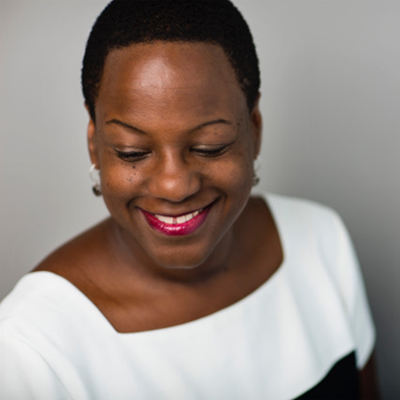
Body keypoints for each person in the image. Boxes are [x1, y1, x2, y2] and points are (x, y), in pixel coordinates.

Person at [0, 1, 379, 398]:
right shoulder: (32, 349)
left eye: (209, 146)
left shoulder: (321, 242)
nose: (174, 186)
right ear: (95, 145)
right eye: (132, 152)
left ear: (254, 130)